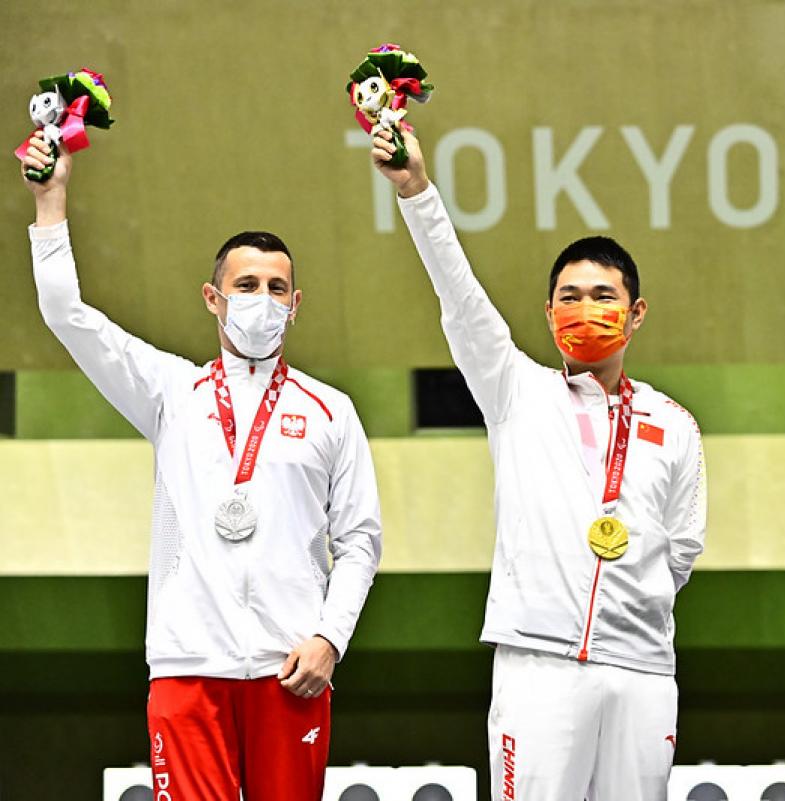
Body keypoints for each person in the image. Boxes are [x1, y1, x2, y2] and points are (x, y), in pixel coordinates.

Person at [21, 132, 382, 801]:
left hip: (291, 669)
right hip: (188, 670)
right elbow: (67, 314)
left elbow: (361, 540)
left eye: (278, 288)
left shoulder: (332, 411)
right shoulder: (170, 393)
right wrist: (51, 200)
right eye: (246, 285)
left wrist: (331, 637)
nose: (263, 299)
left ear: (296, 305)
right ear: (212, 298)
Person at [371, 128, 706, 801]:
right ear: (550, 313)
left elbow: (682, 549)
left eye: (604, 296)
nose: (587, 309)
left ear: (635, 313)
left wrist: (624, 603)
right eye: (571, 296)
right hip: (539, 662)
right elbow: (460, 298)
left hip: (641, 668)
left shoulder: (673, 424)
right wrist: (416, 193)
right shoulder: (515, 389)